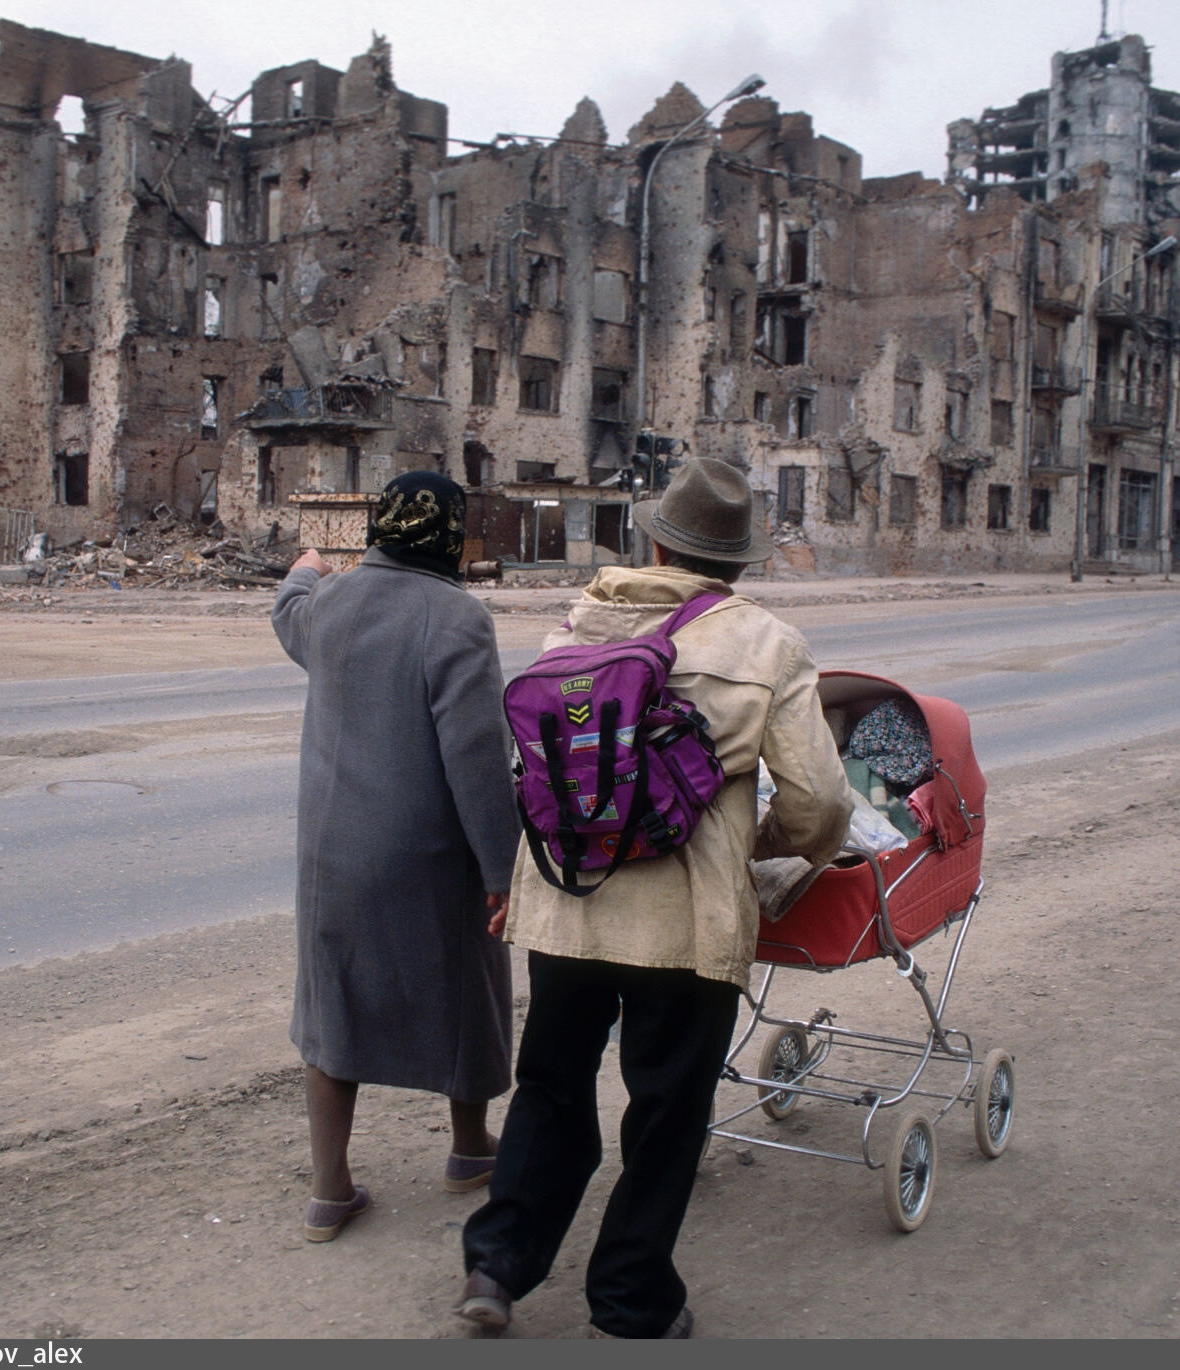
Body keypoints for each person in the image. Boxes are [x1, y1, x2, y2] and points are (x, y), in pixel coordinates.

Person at [458, 458, 852, 1337]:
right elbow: (820, 802)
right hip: (687, 916)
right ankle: (631, 1302)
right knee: (667, 1109)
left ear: (658, 539)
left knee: (551, 1089)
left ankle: (494, 1268)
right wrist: (766, 852)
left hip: (570, 898)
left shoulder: (581, 619)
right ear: (740, 561)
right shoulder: (767, 646)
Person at [271, 470, 520, 1243]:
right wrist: (501, 872)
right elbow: (478, 759)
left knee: (332, 1004)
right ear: (450, 533)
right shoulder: (457, 618)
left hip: (331, 855)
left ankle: (328, 1189)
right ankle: (470, 1145)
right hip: (428, 855)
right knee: (470, 988)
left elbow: (289, 613)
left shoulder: (331, 605)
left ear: (381, 525)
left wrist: (306, 564)